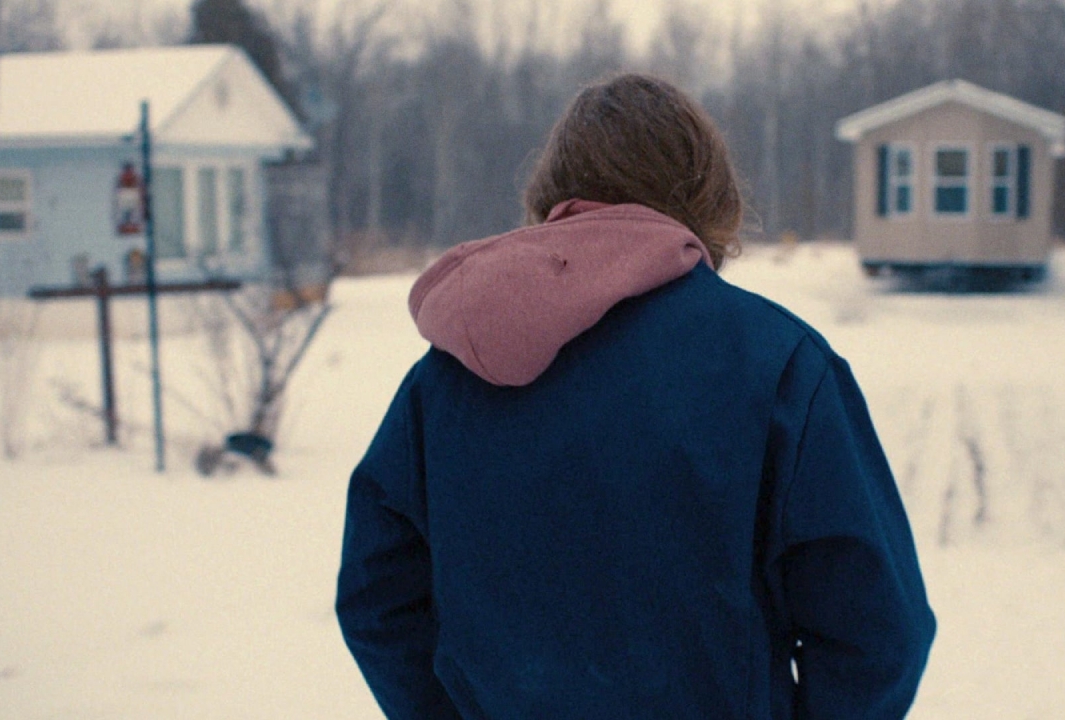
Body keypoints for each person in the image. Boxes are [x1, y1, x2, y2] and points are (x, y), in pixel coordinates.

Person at [336, 73, 935, 720]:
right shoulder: (776, 365)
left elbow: (378, 599)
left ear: (554, 191)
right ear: (705, 195)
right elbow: (878, 635)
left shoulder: (448, 376)